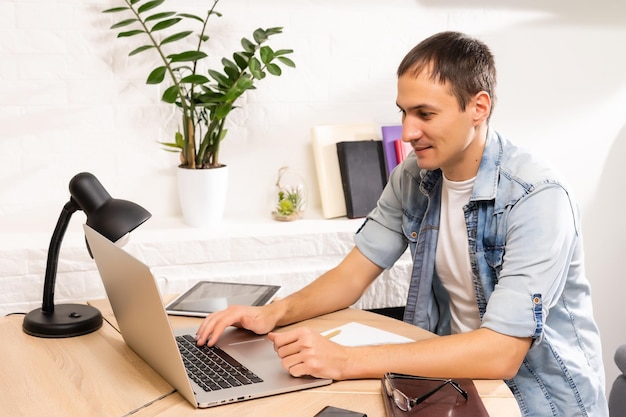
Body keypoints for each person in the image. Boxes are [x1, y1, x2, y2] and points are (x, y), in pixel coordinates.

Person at [196, 31, 608, 416]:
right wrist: (273, 313)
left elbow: (502, 352)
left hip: (539, 402)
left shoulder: (536, 197)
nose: (408, 131)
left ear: (478, 108)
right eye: (405, 112)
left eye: (425, 114)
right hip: (458, 388)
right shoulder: (415, 176)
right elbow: (353, 274)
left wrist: (348, 360)